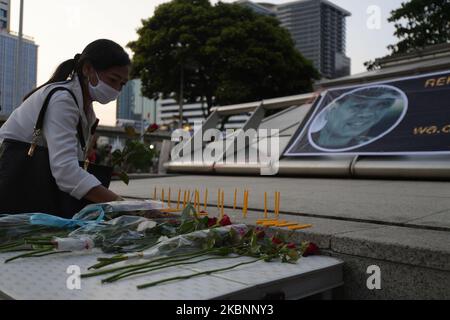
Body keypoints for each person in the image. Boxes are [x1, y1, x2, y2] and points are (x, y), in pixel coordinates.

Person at [0, 39, 129, 214]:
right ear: (88, 69)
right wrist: (120, 203)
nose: (116, 89)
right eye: (113, 79)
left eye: (121, 84)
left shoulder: (85, 109)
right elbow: (66, 171)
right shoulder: (63, 100)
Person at [309, 86, 404, 150]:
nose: (368, 114)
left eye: (381, 105)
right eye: (358, 105)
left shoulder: (382, 151)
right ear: (329, 109)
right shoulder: (301, 144)